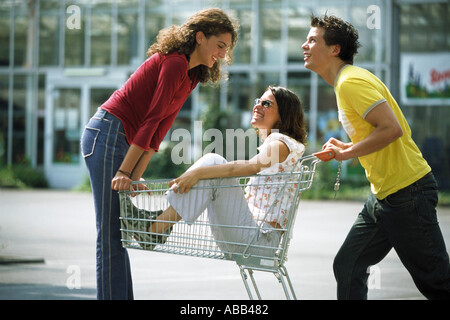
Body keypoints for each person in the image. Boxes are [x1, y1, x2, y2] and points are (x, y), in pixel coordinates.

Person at [81, 8, 238, 300]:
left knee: (118, 236)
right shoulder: (176, 63)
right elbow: (151, 119)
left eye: (226, 50)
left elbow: (160, 129)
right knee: (110, 236)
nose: (222, 54)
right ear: (200, 37)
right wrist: (125, 173)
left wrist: (134, 176)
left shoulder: (191, 75)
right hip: (106, 134)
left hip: (122, 140)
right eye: (220, 46)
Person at [301, 14, 450, 299]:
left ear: (334, 49)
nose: (304, 46)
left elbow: (390, 129)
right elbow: (377, 131)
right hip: (383, 195)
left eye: (312, 40)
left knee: (438, 284)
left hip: (407, 193)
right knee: (348, 265)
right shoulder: (347, 82)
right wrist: (347, 147)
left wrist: (347, 153)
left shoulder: (350, 83)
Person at [125, 86, 307, 256]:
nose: (258, 106)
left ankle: (155, 228)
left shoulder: (282, 143)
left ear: (283, 116)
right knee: (215, 165)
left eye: (266, 104)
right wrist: (203, 172)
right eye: (258, 101)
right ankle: (157, 226)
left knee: (214, 163)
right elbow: (242, 164)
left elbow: (252, 167)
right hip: (248, 234)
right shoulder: (279, 143)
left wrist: (197, 173)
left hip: (260, 240)